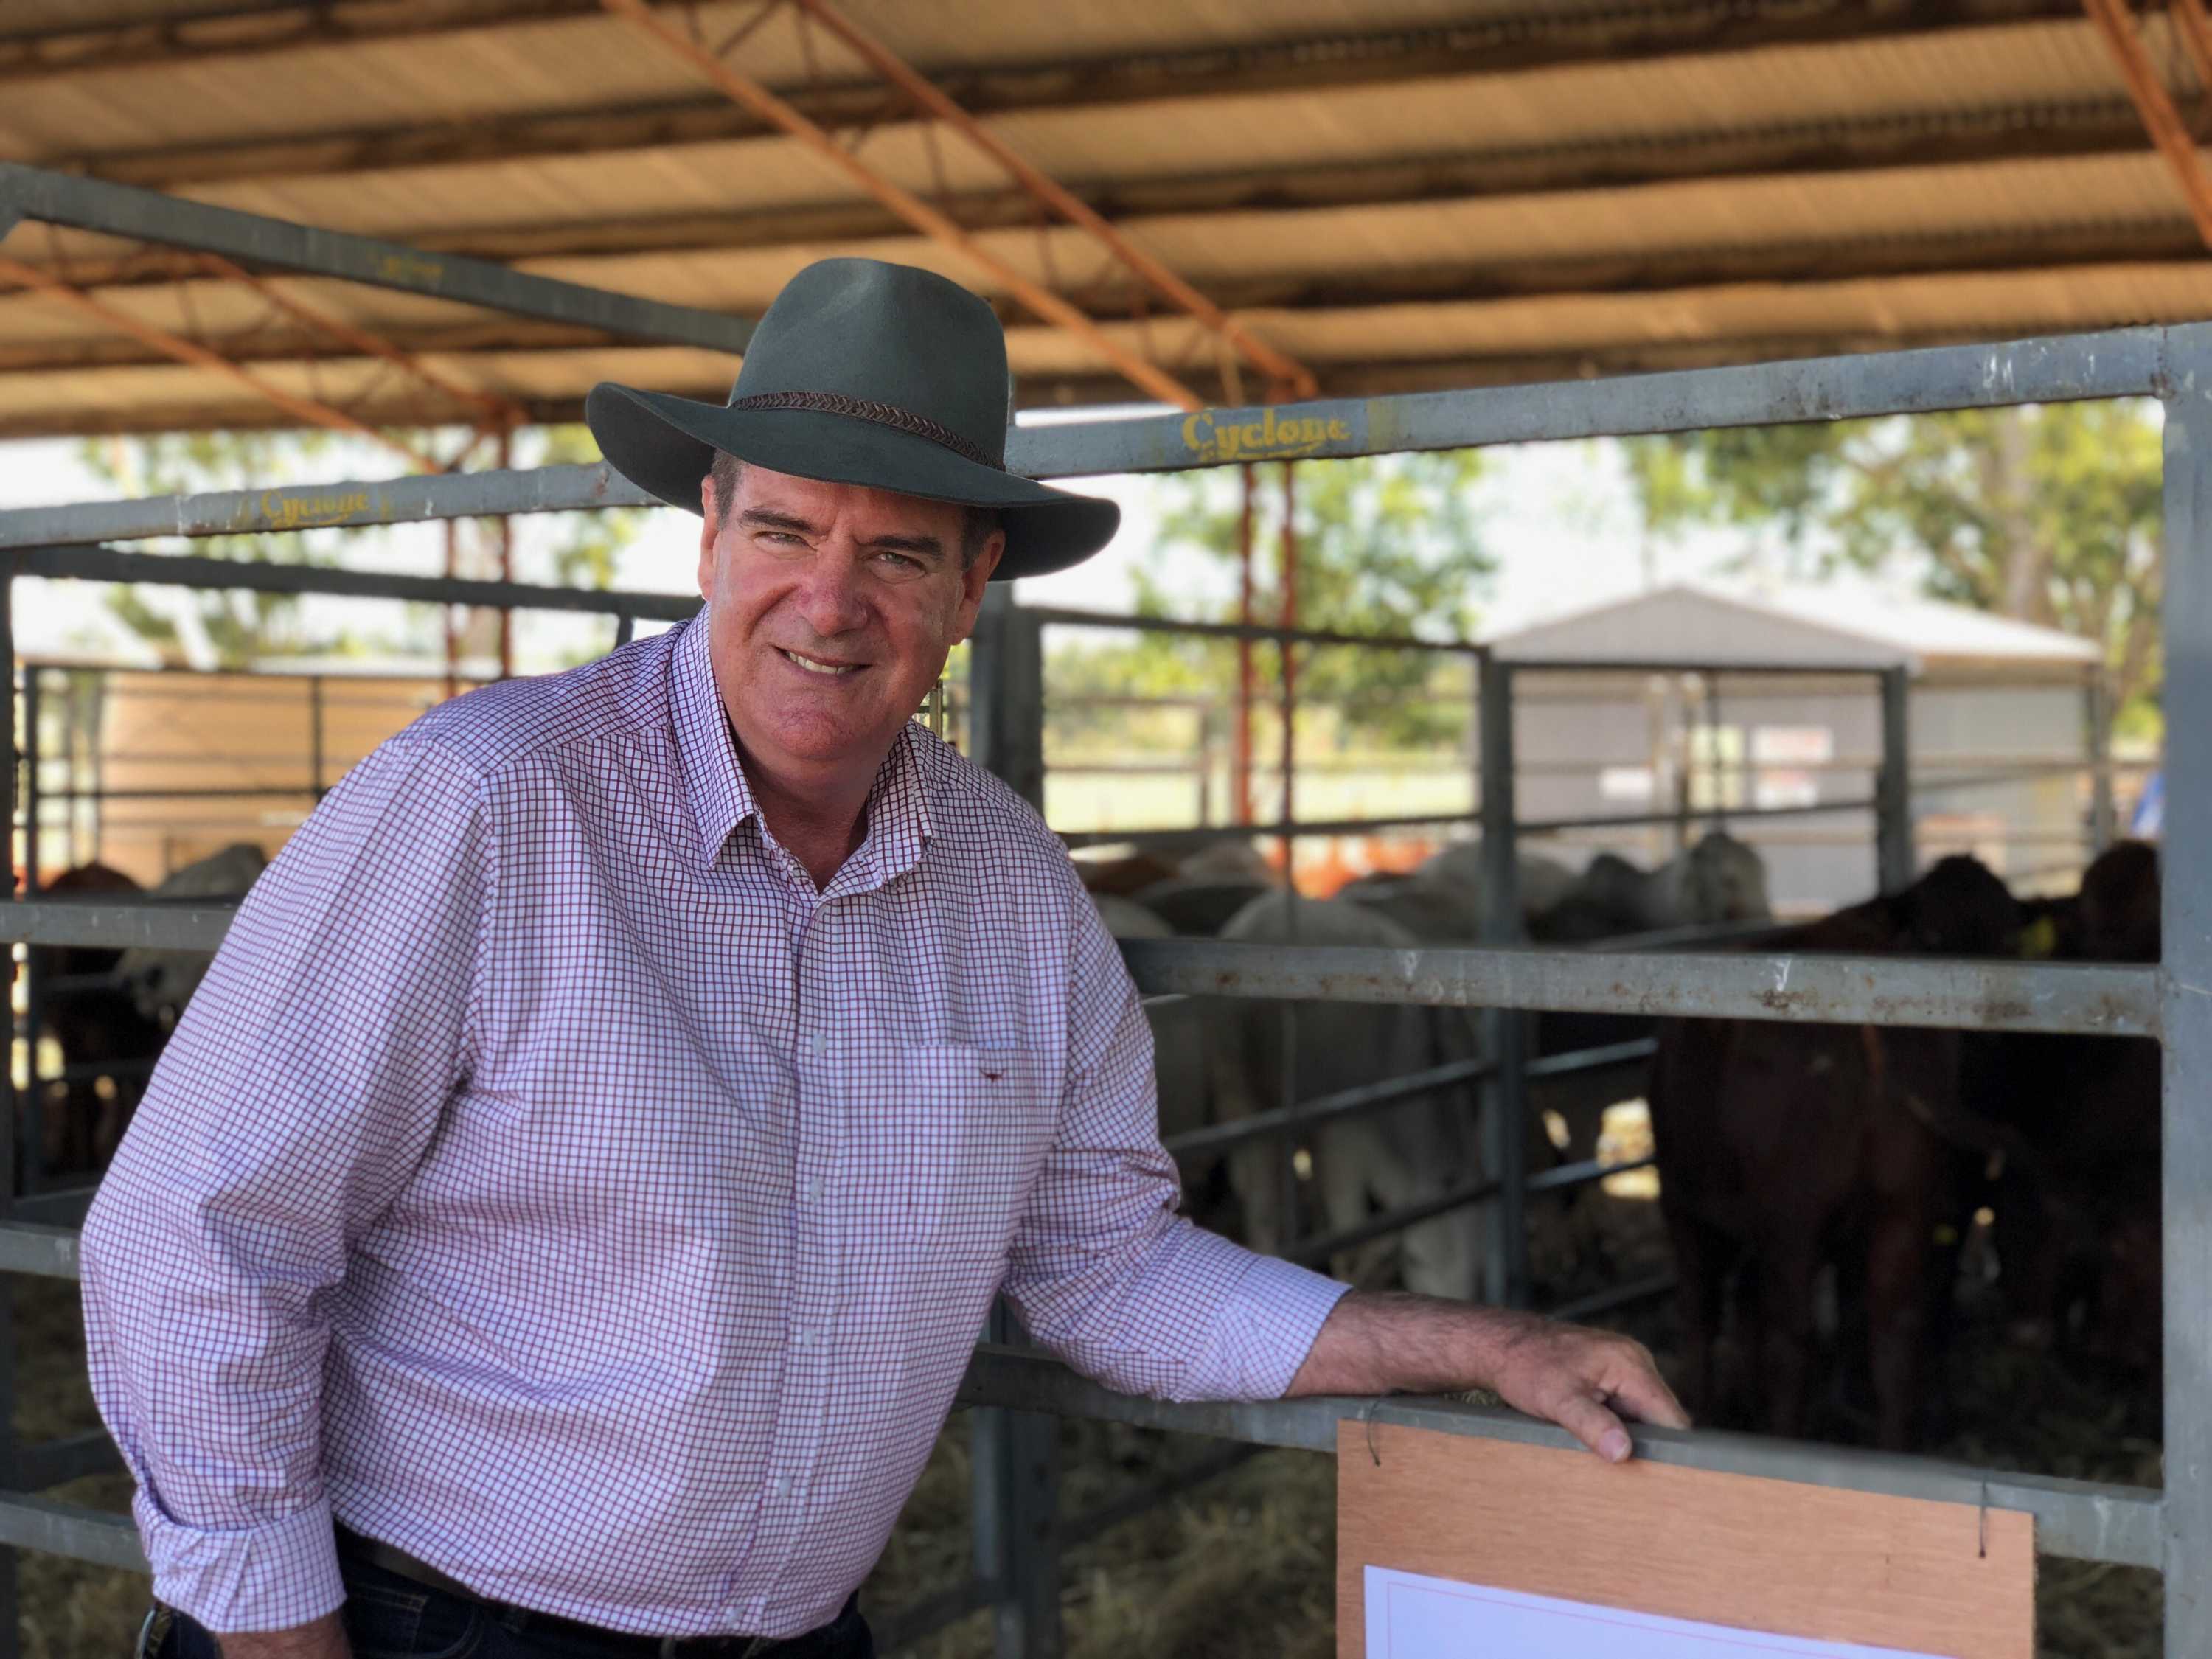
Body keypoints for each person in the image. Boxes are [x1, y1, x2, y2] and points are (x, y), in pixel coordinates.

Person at [82, 257, 1685, 1659]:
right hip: (429, 1621)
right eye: (783, 528)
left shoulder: (1006, 890)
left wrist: (1483, 1344)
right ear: (708, 532)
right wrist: (282, 1638)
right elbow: (194, 1237)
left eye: (901, 554)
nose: (828, 604)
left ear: (976, 584)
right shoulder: (486, 810)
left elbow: (1109, 1271)